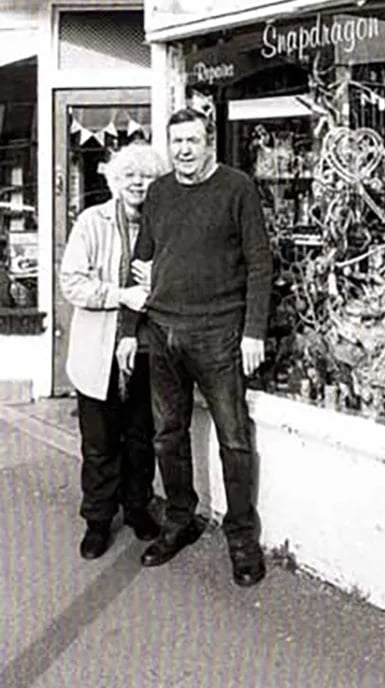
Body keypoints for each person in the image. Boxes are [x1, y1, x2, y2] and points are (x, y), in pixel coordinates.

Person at [116, 107, 272, 586]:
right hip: (163, 332)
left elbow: (260, 263)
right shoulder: (160, 193)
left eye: (193, 141)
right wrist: (128, 328)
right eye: (177, 141)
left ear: (210, 144)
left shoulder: (237, 188)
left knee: (233, 438)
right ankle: (180, 520)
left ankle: (242, 538)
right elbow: (142, 261)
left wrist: (253, 331)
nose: (184, 150)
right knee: (168, 433)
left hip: (219, 334)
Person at [60, 141, 165, 560]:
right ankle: (98, 521)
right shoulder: (92, 221)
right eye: (129, 176)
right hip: (98, 353)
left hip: (147, 350)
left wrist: (157, 286)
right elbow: (72, 283)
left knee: (141, 440)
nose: (138, 183)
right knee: (100, 444)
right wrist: (122, 294)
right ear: (114, 181)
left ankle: (137, 508)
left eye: (146, 176)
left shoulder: (164, 225)